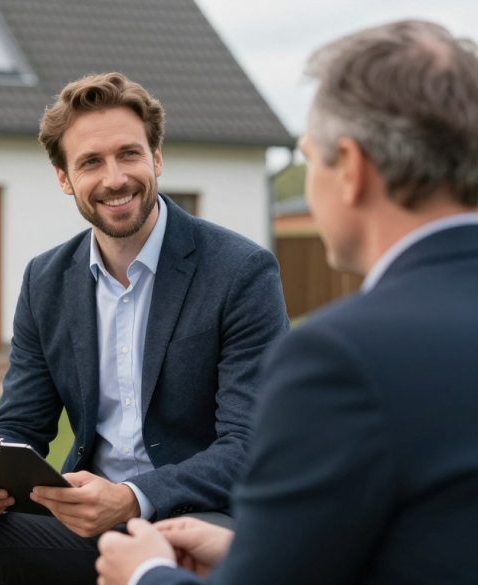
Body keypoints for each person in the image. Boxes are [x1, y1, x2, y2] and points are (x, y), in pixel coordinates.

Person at [95, 19, 478, 585]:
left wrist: (146, 573)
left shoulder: (342, 356)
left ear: (349, 169)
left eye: (309, 157)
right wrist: (249, 547)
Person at [0, 72, 289, 585]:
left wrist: (133, 497)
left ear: (157, 158)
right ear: (64, 177)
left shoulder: (240, 271)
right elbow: (21, 422)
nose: (114, 178)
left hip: (201, 515)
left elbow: (250, 444)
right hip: (82, 516)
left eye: (129, 154)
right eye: (90, 162)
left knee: (174, 564)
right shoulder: (45, 279)